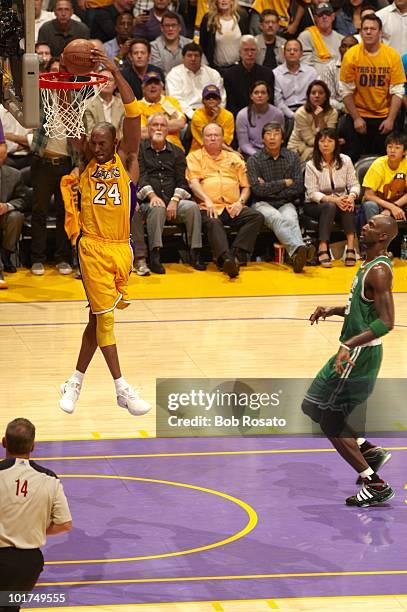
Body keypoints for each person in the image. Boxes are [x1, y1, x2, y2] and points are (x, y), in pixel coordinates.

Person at [59, 49, 151, 416]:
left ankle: (74, 381)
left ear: (114, 144)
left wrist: (115, 70)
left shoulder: (127, 159)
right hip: (92, 247)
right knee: (106, 317)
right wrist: (65, 78)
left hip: (122, 250)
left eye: (101, 143)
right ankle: (121, 387)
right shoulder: (84, 161)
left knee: (98, 318)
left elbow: (133, 112)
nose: (95, 148)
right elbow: (67, 122)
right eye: (92, 143)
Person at [301, 214, 398, 507]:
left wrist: (348, 345)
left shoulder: (379, 272)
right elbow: (362, 308)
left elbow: (387, 322)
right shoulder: (366, 265)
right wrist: (333, 309)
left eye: (372, 225)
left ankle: (374, 483)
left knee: (330, 420)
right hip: (351, 350)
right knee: (311, 406)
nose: (365, 225)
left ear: (383, 237)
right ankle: (369, 451)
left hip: (360, 354)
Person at [0, 418, 72, 612]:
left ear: (4, 442)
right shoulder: (50, 479)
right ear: (33, 446)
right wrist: (34, 528)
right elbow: (65, 524)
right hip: (28, 565)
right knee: (9, 607)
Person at [187, 123, 264, 278]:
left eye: (216, 135)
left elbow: (246, 186)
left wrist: (240, 203)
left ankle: (234, 256)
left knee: (256, 217)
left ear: (223, 139)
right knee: (214, 222)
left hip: (232, 206)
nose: (213, 138)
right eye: (209, 135)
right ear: (203, 139)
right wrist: (207, 199)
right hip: (208, 207)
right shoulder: (194, 157)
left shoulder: (234, 158)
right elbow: (193, 182)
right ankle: (225, 258)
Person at [138, 113, 205, 274]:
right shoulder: (139, 150)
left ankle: (195, 253)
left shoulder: (177, 152)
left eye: (162, 125)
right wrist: (153, 197)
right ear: (148, 129)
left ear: (168, 130)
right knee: (157, 208)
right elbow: (140, 177)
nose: (158, 128)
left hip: (173, 200)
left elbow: (182, 181)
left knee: (191, 208)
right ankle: (155, 255)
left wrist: (175, 200)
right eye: (155, 125)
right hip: (148, 200)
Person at [247, 121, 315, 273]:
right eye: (268, 134)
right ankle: (298, 250)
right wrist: (284, 182)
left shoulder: (292, 158)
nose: (272, 138)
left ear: (282, 139)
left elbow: (297, 187)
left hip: (285, 202)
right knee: (276, 217)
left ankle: (297, 257)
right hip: (261, 203)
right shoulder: (254, 160)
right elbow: (257, 190)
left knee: (291, 218)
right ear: (262, 139)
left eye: (276, 134)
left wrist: (270, 187)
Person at [340, 14, 405, 162]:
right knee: (350, 157)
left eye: (373, 29)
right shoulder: (351, 55)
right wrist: (356, 118)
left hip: (384, 115)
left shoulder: (392, 56)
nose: (368, 32)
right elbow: (345, 91)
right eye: (365, 29)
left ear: (380, 32)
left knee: (390, 159)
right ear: (361, 32)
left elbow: (397, 91)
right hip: (358, 114)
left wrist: (390, 119)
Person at [304, 128, 359, 268]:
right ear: (317, 144)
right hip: (315, 205)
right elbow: (312, 193)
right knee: (331, 205)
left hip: (341, 202)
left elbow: (354, 184)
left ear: (336, 143)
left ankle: (351, 248)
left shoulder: (346, 160)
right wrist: (334, 200)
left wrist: (351, 197)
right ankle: (323, 247)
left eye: (330, 141)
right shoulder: (311, 164)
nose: (326, 144)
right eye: (322, 141)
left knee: (347, 204)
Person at [166, 42, 225, 120]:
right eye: (189, 56)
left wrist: (218, 113)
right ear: (183, 58)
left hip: (211, 112)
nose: (193, 59)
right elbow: (176, 100)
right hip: (186, 115)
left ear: (201, 58)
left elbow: (221, 97)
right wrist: (195, 116)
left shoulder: (213, 74)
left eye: (196, 56)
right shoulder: (174, 74)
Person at [223, 35, 275, 117]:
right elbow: (230, 104)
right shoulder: (229, 74)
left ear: (257, 51)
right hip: (238, 117)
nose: (250, 54)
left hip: (263, 116)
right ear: (240, 52)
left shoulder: (267, 73)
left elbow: (270, 101)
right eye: (246, 50)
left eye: (253, 50)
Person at [288, 79, 338, 164]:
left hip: (321, 146)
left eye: (321, 93)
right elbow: (310, 141)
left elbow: (329, 136)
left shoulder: (332, 112)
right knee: (318, 155)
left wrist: (321, 118)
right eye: (313, 93)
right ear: (308, 96)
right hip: (299, 147)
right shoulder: (300, 113)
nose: (317, 96)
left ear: (326, 97)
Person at [362, 131, 407, 222]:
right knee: (370, 205)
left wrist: (395, 206)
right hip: (379, 204)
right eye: (390, 147)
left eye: (397, 148)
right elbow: (368, 195)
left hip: (400, 203)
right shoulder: (378, 164)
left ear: (405, 152)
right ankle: (373, 235)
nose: (392, 151)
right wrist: (390, 207)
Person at [138, 71, 186, 150]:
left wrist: (150, 126)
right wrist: (168, 125)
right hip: (148, 149)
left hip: (174, 147)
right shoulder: (137, 106)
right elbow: (141, 133)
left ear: (161, 87)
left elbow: (180, 123)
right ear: (143, 88)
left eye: (156, 83)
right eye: (149, 83)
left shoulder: (168, 103)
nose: (153, 86)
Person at [236, 80, 284, 157]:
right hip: (250, 154)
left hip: (273, 152)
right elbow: (244, 144)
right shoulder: (242, 115)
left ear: (268, 96)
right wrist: (259, 156)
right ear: (251, 96)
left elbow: (279, 139)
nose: (259, 95)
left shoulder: (278, 114)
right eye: (256, 93)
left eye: (263, 93)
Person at [273, 39, 318, 121]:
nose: (292, 52)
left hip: (308, 110)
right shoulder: (275, 73)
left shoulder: (311, 72)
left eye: (295, 50)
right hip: (286, 114)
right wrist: (294, 116)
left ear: (301, 54)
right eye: (289, 50)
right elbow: (278, 101)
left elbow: (316, 96)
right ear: (284, 54)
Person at [199, 0, 250, 70]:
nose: (223, 1)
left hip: (239, 67)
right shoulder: (208, 18)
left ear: (232, 1)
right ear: (216, 1)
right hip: (217, 69)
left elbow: (247, 41)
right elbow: (202, 45)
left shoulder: (242, 16)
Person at [298, 3, 343, 76]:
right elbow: (304, 65)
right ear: (315, 18)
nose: (324, 17)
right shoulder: (306, 36)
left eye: (327, 14)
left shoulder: (341, 39)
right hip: (314, 81)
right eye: (320, 15)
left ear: (333, 16)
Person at [190, 84, 235, 152]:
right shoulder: (197, 115)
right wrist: (213, 119)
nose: (211, 99)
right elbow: (208, 141)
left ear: (219, 101)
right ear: (203, 101)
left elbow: (225, 140)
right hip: (199, 151)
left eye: (214, 97)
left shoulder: (228, 116)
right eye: (208, 97)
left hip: (222, 151)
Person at [320, 34, 358, 113]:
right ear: (339, 49)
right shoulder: (330, 68)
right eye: (344, 46)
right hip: (340, 110)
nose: (347, 50)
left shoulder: (364, 67)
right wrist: (344, 107)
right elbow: (328, 98)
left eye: (351, 47)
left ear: (358, 49)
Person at [150, 11, 193, 76]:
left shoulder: (190, 44)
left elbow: (202, 66)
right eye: (167, 25)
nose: (170, 29)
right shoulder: (154, 46)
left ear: (179, 27)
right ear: (162, 28)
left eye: (173, 25)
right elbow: (157, 71)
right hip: (163, 83)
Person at [83, 69, 125, 134]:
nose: (106, 83)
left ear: (115, 85)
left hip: (118, 143)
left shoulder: (122, 105)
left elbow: (123, 133)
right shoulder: (88, 105)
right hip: (96, 142)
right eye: (102, 79)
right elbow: (90, 133)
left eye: (110, 80)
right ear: (97, 84)